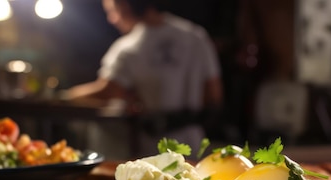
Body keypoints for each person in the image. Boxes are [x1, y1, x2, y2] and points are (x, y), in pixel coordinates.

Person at [63, 0, 223, 158]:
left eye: (112, 11)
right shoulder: (196, 36)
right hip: (192, 144)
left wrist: (67, 96)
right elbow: (214, 94)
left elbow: (109, 91)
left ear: (124, 6)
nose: (111, 19)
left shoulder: (130, 46)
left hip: (151, 149)